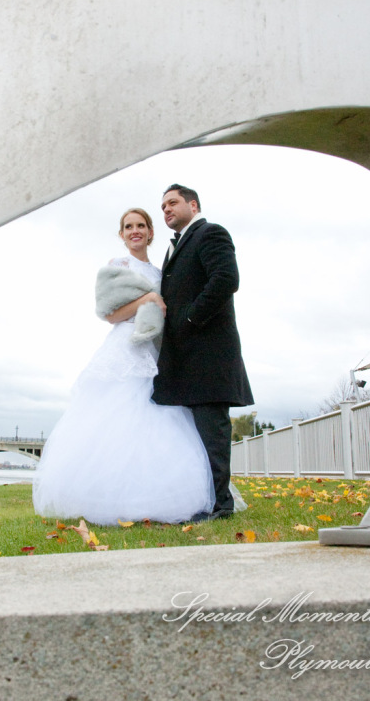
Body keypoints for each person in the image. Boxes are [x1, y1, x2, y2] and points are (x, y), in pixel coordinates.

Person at [32, 208, 215, 525]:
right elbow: (110, 314)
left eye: (141, 225)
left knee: (159, 422)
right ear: (121, 234)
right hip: (125, 351)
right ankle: (110, 499)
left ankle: (156, 497)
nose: (135, 231)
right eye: (128, 226)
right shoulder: (118, 266)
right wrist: (148, 300)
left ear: (150, 232)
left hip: (155, 351)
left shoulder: (160, 272)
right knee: (118, 420)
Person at [153, 184, 253, 521]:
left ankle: (221, 506)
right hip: (185, 358)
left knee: (212, 434)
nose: (166, 209)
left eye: (173, 203)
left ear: (193, 205)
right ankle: (201, 501)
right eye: (163, 206)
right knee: (191, 438)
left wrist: (189, 318)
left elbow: (226, 279)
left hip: (209, 354)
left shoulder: (211, 233)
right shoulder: (176, 246)